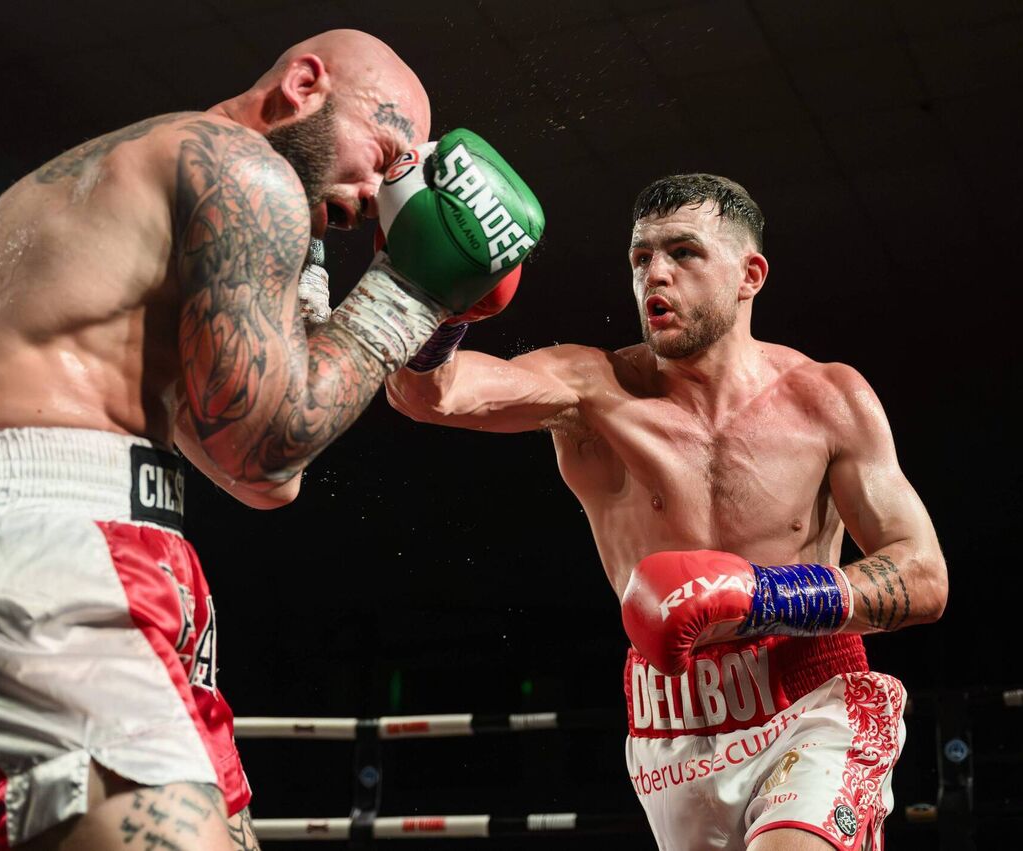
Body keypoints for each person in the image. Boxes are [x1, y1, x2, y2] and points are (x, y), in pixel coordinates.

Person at [0, 28, 542, 851]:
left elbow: (265, 476)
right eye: (383, 148)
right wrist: (411, 291)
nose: (382, 189)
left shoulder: (189, 181)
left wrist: (370, 291)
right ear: (305, 84)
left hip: (99, 552)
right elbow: (267, 447)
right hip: (45, 560)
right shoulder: (234, 165)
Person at [386, 173, 946, 850]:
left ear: (750, 274)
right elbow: (427, 396)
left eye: (683, 252)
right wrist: (440, 306)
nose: (656, 273)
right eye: (641, 257)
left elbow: (922, 575)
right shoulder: (591, 389)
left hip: (814, 701)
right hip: (673, 724)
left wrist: (761, 593)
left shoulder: (829, 398)